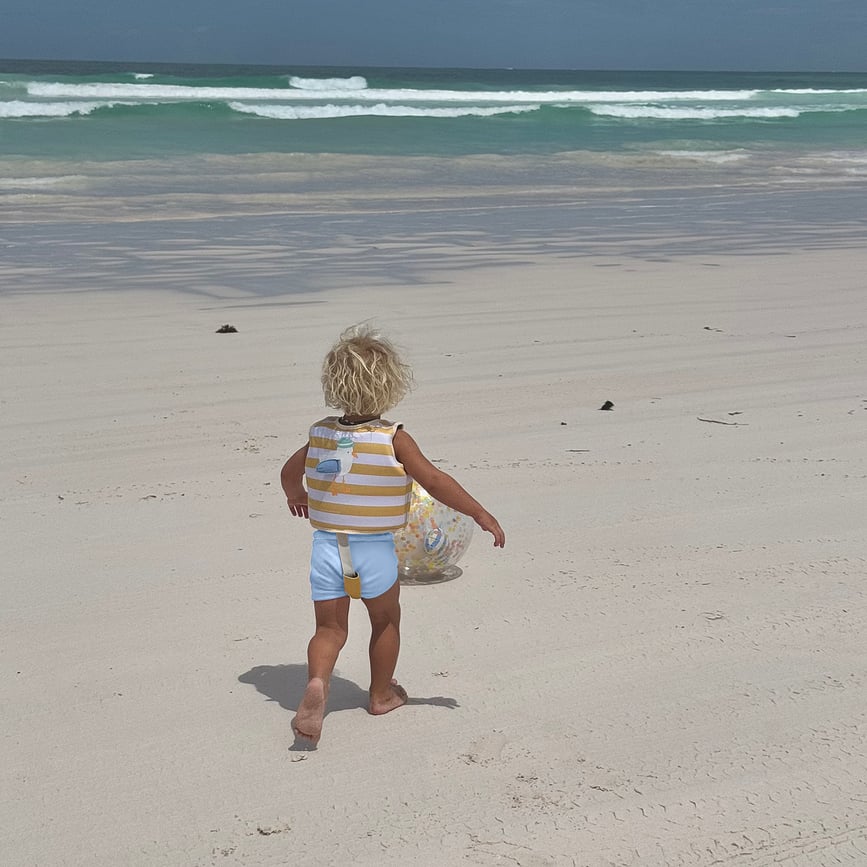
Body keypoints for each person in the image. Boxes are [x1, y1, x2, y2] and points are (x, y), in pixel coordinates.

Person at [280, 323, 505, 744]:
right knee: (384, 620)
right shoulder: (393, 439)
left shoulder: (321, 432)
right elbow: (435, 481)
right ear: (390, 387)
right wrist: (479, 513)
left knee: (329, 630)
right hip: (374, 549)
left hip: (328, 546)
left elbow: (289, 472)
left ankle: (316, 684)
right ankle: (381, 695)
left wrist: (297, 494)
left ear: (334, 385)